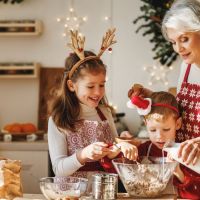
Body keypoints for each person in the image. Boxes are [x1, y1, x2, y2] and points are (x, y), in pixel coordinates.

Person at [129, 0, 200, 198]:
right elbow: (183, 109)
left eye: (184, 39)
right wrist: (153, 97)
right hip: (187, 173)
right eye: (173, 42)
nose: (178, 49)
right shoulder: (187, 66)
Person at [48, 28, 137, 181]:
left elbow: (113, 151)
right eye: (90, 86)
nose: (98, 92)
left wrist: (122, 144)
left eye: (102, 85)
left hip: (104, 192)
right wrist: (83, 155)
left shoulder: (105, 112)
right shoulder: (58, 119)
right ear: (71, 85)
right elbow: (58, 169)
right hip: (72, 194)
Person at [127, 90, 200, 198]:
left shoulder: (184, 153)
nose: (159, 136)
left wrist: (178, 172)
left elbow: (195, 194)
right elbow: (117, 172)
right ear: (145, 124)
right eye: (152, 130)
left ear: (178, 124)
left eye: (166, 129)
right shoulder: (143, 150)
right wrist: (122, 146)